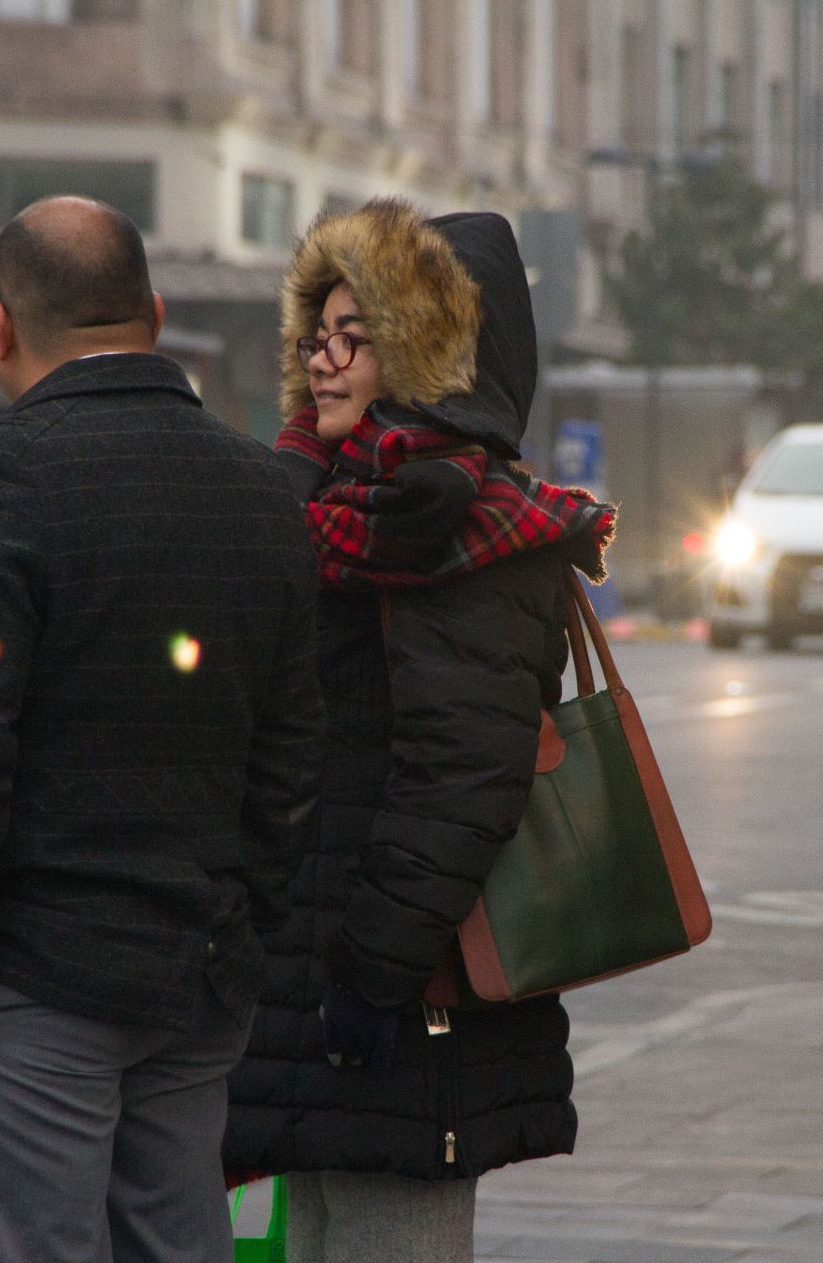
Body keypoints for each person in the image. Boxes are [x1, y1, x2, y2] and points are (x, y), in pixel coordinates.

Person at [0, 195, 323, 1263]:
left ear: (1, 329)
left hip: (28, 982)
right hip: (195, 982)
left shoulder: (0, 475)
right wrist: (238, 916)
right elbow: (292, 750)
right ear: (155, 313)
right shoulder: (265, 491)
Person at [223, 199, 614, 1263]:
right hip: (304, 983)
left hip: (400, 996)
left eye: (361, 336)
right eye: (318, 335)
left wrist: (368, 971)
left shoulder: (473, 529)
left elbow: (465, 774)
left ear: (430, 351)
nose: (328, 360)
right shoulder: (331, 505)